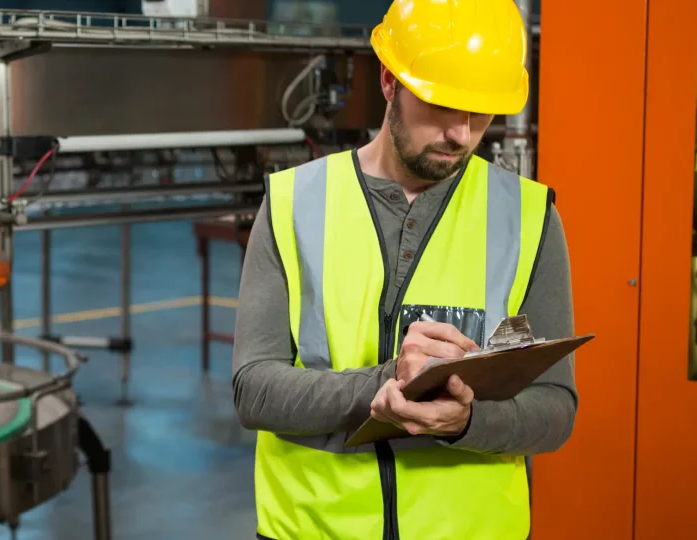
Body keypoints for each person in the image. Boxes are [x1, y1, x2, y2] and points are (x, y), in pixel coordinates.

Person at [230, 1, 578, 539]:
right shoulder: (293, 204)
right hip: (315, 528)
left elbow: (555, 409)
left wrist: (467, 422)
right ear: (390, 82)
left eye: (481, 113)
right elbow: (254, 390)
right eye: (443, 106)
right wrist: (389, 383)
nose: (461, 135)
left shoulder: (529, 218)